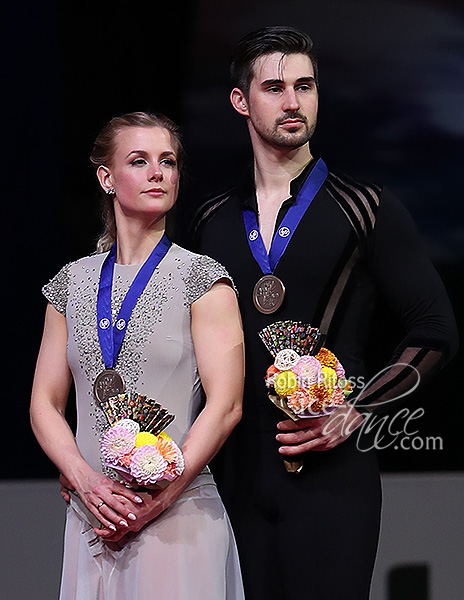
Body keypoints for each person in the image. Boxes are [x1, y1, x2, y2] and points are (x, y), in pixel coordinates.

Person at [189, 26, 459, 600]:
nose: (293, 103)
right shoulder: (209, 220)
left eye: (306, 86)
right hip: (229, 475)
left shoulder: (367, 208)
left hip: (333, 476)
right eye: (275, 87)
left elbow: (435, 331)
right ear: (241, 101)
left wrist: (358, 408)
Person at [30, 111, 245, 600]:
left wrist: (156, 500)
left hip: (177, 519)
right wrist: (85, 482)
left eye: (167, 162)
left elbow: (226, 406)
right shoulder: (72, 283)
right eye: (139, 161)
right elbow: (45, 402)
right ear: (106, 178)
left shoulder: (202, 279)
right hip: (93, 518)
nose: (158, 173)